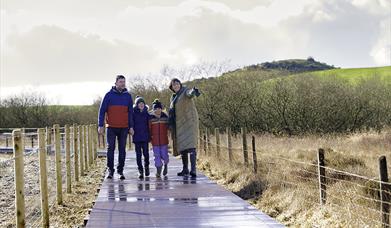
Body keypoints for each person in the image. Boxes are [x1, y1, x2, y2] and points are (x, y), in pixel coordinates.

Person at [98, 75, 134, 180]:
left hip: (124, 127)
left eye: (124, 82)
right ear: (116, 83)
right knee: (110, 149)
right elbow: (102, 111)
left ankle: (120, 171)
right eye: (121, 82)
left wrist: (131, 126)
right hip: (111, 127)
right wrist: (100, 125)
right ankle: (110, 171)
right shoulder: (108, 95)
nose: (123, 83)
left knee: (122, 149)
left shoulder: (128, 96)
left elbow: (130, 113)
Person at [168, 78, 201, 178]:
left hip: (189, 122)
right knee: (183, 148)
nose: (176, 86)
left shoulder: (185, 92)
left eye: (177, 84)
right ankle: (185, 169)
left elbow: (190, 94)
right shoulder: (173, 97)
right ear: (172, 87)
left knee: (191, 147)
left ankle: (193, 170)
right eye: (174, 85)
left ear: (180, 85)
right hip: (179, 124)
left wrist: (193, 92)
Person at [149, 99, 170, 178]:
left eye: (159, 108)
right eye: (156, 109)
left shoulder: (165, 118)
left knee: (164, 155)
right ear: (153, 110)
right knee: (157, 156)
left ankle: (165, 165)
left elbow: (169, 127)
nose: (157, 110)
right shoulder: (151, 119)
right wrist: (149, 138)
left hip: (164, 141)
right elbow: (149, 129)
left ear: (161, 109)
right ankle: (158, 170)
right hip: (155, 141)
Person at [132, 96, 151, 179]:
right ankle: (140, 170)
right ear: (136, 105)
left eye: (142, 103)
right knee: (138, 155)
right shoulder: (133, 113)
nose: (141, 105)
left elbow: (150, 124)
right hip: (136, 137)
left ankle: (146, 167)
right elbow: (131, 123)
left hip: (145, 137)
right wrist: (130, 129)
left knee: (146, 154)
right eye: (139, 103)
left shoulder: (147, 113)